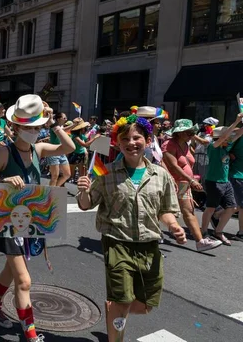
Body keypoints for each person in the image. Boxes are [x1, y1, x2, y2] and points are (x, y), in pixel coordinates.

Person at [76, 114, 186, 342]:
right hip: (117, 243)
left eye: (137, 137)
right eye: (125, 138)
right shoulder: (104, 172)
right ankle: (116, 331)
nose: (131, 143)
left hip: (149, 246)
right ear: (117, 142)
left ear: (147, 140)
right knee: (123, 301)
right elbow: (86, 205)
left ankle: (114, 309)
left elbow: (165, 210)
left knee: (145, 305)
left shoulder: (161, 175)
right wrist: (84, 191)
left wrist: (174, 225)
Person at [0, 94, 74, 342]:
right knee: (24, 280)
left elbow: (70, 148)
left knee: (11, 271)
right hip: (8, 222)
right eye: (28, 127)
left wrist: (53, 123)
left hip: (31, 220)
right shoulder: (4, 152)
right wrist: (4, 180)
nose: (33, 131)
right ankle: (30, 334)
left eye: (36, 127)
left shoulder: (40, 149)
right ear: (16, 126)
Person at [162, 119, 222, 251]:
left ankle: (200, 241)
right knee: (162, 209)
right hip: (172, 183)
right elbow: (173, 165)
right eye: (188, 131)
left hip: (183, 183)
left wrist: (191, 179)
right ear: (178, 133)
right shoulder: (169, 144)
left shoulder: (186, 144)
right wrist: (191, 180)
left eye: (192, 131)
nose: (191, 133)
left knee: (188, 210)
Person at [200, 115, 243, 246]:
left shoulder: (226, 147)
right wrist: (236, 121)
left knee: (233, 207)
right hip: (214, 181)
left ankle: (218, 232)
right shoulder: (213, 147)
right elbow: (225, 137)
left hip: (225, 182)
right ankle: (204, 231)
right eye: (226, 137)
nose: (230, 138)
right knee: (210, 208)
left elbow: (239, 133)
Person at [47, 112, 72, 187]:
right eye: (64, 118)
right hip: (53, 152)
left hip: (61, 151)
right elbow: (62, 130)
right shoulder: (53, 126)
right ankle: (51, 194)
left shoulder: (62, 127)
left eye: (66, 118)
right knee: (55, 176)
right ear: (58, 119)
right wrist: (74, 124)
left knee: (67, 174)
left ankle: (55, 189)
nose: (66, 119)